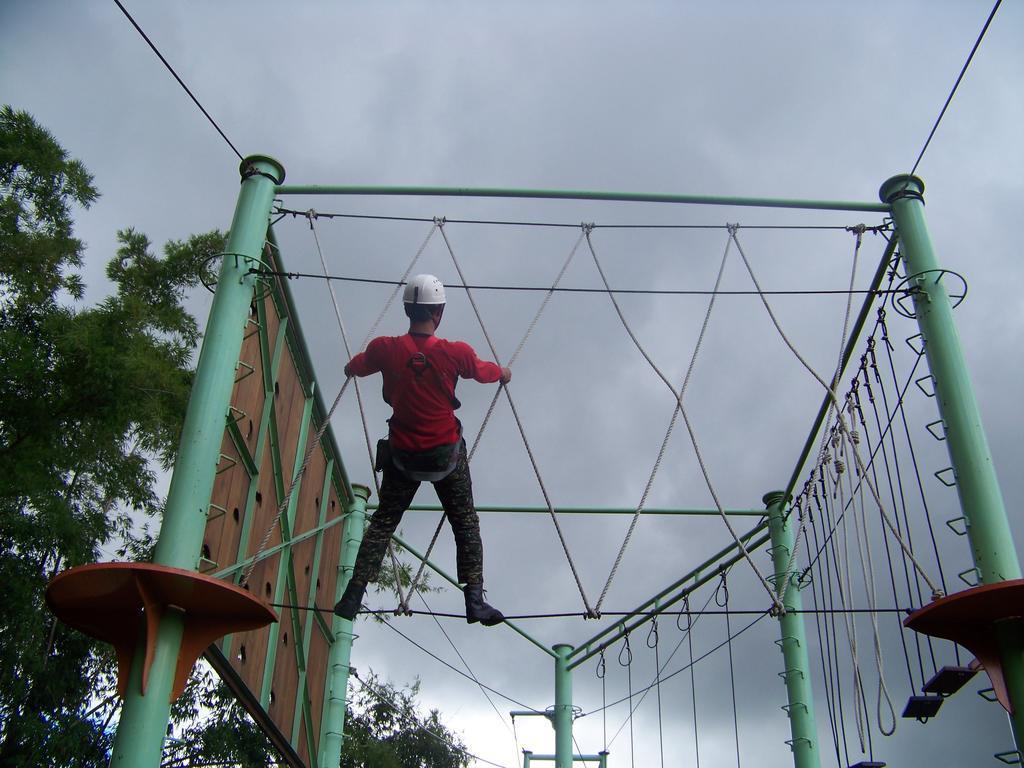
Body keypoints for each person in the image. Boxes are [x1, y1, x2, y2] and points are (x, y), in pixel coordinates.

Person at [333, 274, 509, 626]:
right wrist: (504, 372)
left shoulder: (385, 348)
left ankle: (353, 595)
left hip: (403, 454)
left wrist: (350, 367)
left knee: (383, 521)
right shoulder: (455, 352)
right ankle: (474, 601)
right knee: (465, 523)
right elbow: (483, 372)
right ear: (438, 312)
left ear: (407, 310)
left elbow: (358, 365)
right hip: (445, 455)